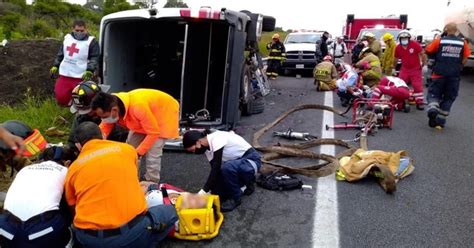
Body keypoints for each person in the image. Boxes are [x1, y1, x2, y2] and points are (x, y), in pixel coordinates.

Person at [65, 122, 178, 247]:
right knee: (170, 211)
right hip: (129, 234)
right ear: (103, 135)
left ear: (78, 145)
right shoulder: (127, 150)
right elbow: (132, 179)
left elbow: (72, 208)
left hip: (89, 239)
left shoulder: (73, 169)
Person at [90, 89, 179, 183]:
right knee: (129, 148)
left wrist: (138, 153)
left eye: (104, 117)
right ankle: (132, 178)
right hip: (144, 117)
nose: (103, 119)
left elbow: (153, 133)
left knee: (153, 152)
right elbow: (104, 127)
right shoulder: (112, 103)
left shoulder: (137, 107)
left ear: (114, 110)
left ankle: (152, 183)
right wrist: (95, 144)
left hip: (163, 112)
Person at [0, 145, 78, 248]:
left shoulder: (25, 169)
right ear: (68, 163)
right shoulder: (65, 171)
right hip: (41, 232)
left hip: (5, 230)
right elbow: (72, 205)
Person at [182, 130, 261, 212]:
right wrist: (212, 192)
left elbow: (216, 166)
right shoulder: (208, 150)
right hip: (240, 164)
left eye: (193, 150)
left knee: (226, 168)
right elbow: (216, 173)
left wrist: (203, 191)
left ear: (198, 142)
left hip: (252, 161)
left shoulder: (216, 138)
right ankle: (247, 183)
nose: (194, 153)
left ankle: (236, 198)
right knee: (220, 192)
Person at [424, 23, 471, 129]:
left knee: (434, 94)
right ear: (456, 31)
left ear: (446, 29)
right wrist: (457, 66)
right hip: (454, 75)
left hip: (438, 74)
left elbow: (428, 50)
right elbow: (465, 59)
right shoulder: (463, 43)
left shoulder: (440, 41)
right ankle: (440, 121)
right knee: (449, 97)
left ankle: (433, 109)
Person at [50, 20, 100, 107]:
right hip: (65, 74)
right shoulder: (67, 39)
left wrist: (90, 70)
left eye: (82, 31)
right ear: (73, 29)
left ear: (86, 29)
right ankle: (68, 111)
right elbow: (60, 54)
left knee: (82, 99)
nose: (79, 33)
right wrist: (55, 65)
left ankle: (79, 114)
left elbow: (94, 57)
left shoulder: (91, 41)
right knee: (61, 97)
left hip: (81, 76)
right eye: (77, 30)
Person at [67, 81, 128, 146]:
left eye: (90, 111)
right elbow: (72, 142)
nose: (89, 114)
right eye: (83, 111)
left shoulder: (114, 115)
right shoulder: (81, 118)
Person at [394, 29, 427, 110]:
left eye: (406, 38)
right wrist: (393, 68)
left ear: (409, 38)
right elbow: (395, 58)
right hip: (404, 69)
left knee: (417, 86)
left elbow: (422, 54)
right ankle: (401, 101)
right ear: (400, 39)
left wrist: (424, 64)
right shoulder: (398, 48)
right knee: (401, 85)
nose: (404, 40)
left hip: (415, 69)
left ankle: (419, 102)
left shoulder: (414, 44)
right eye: (402, 38)